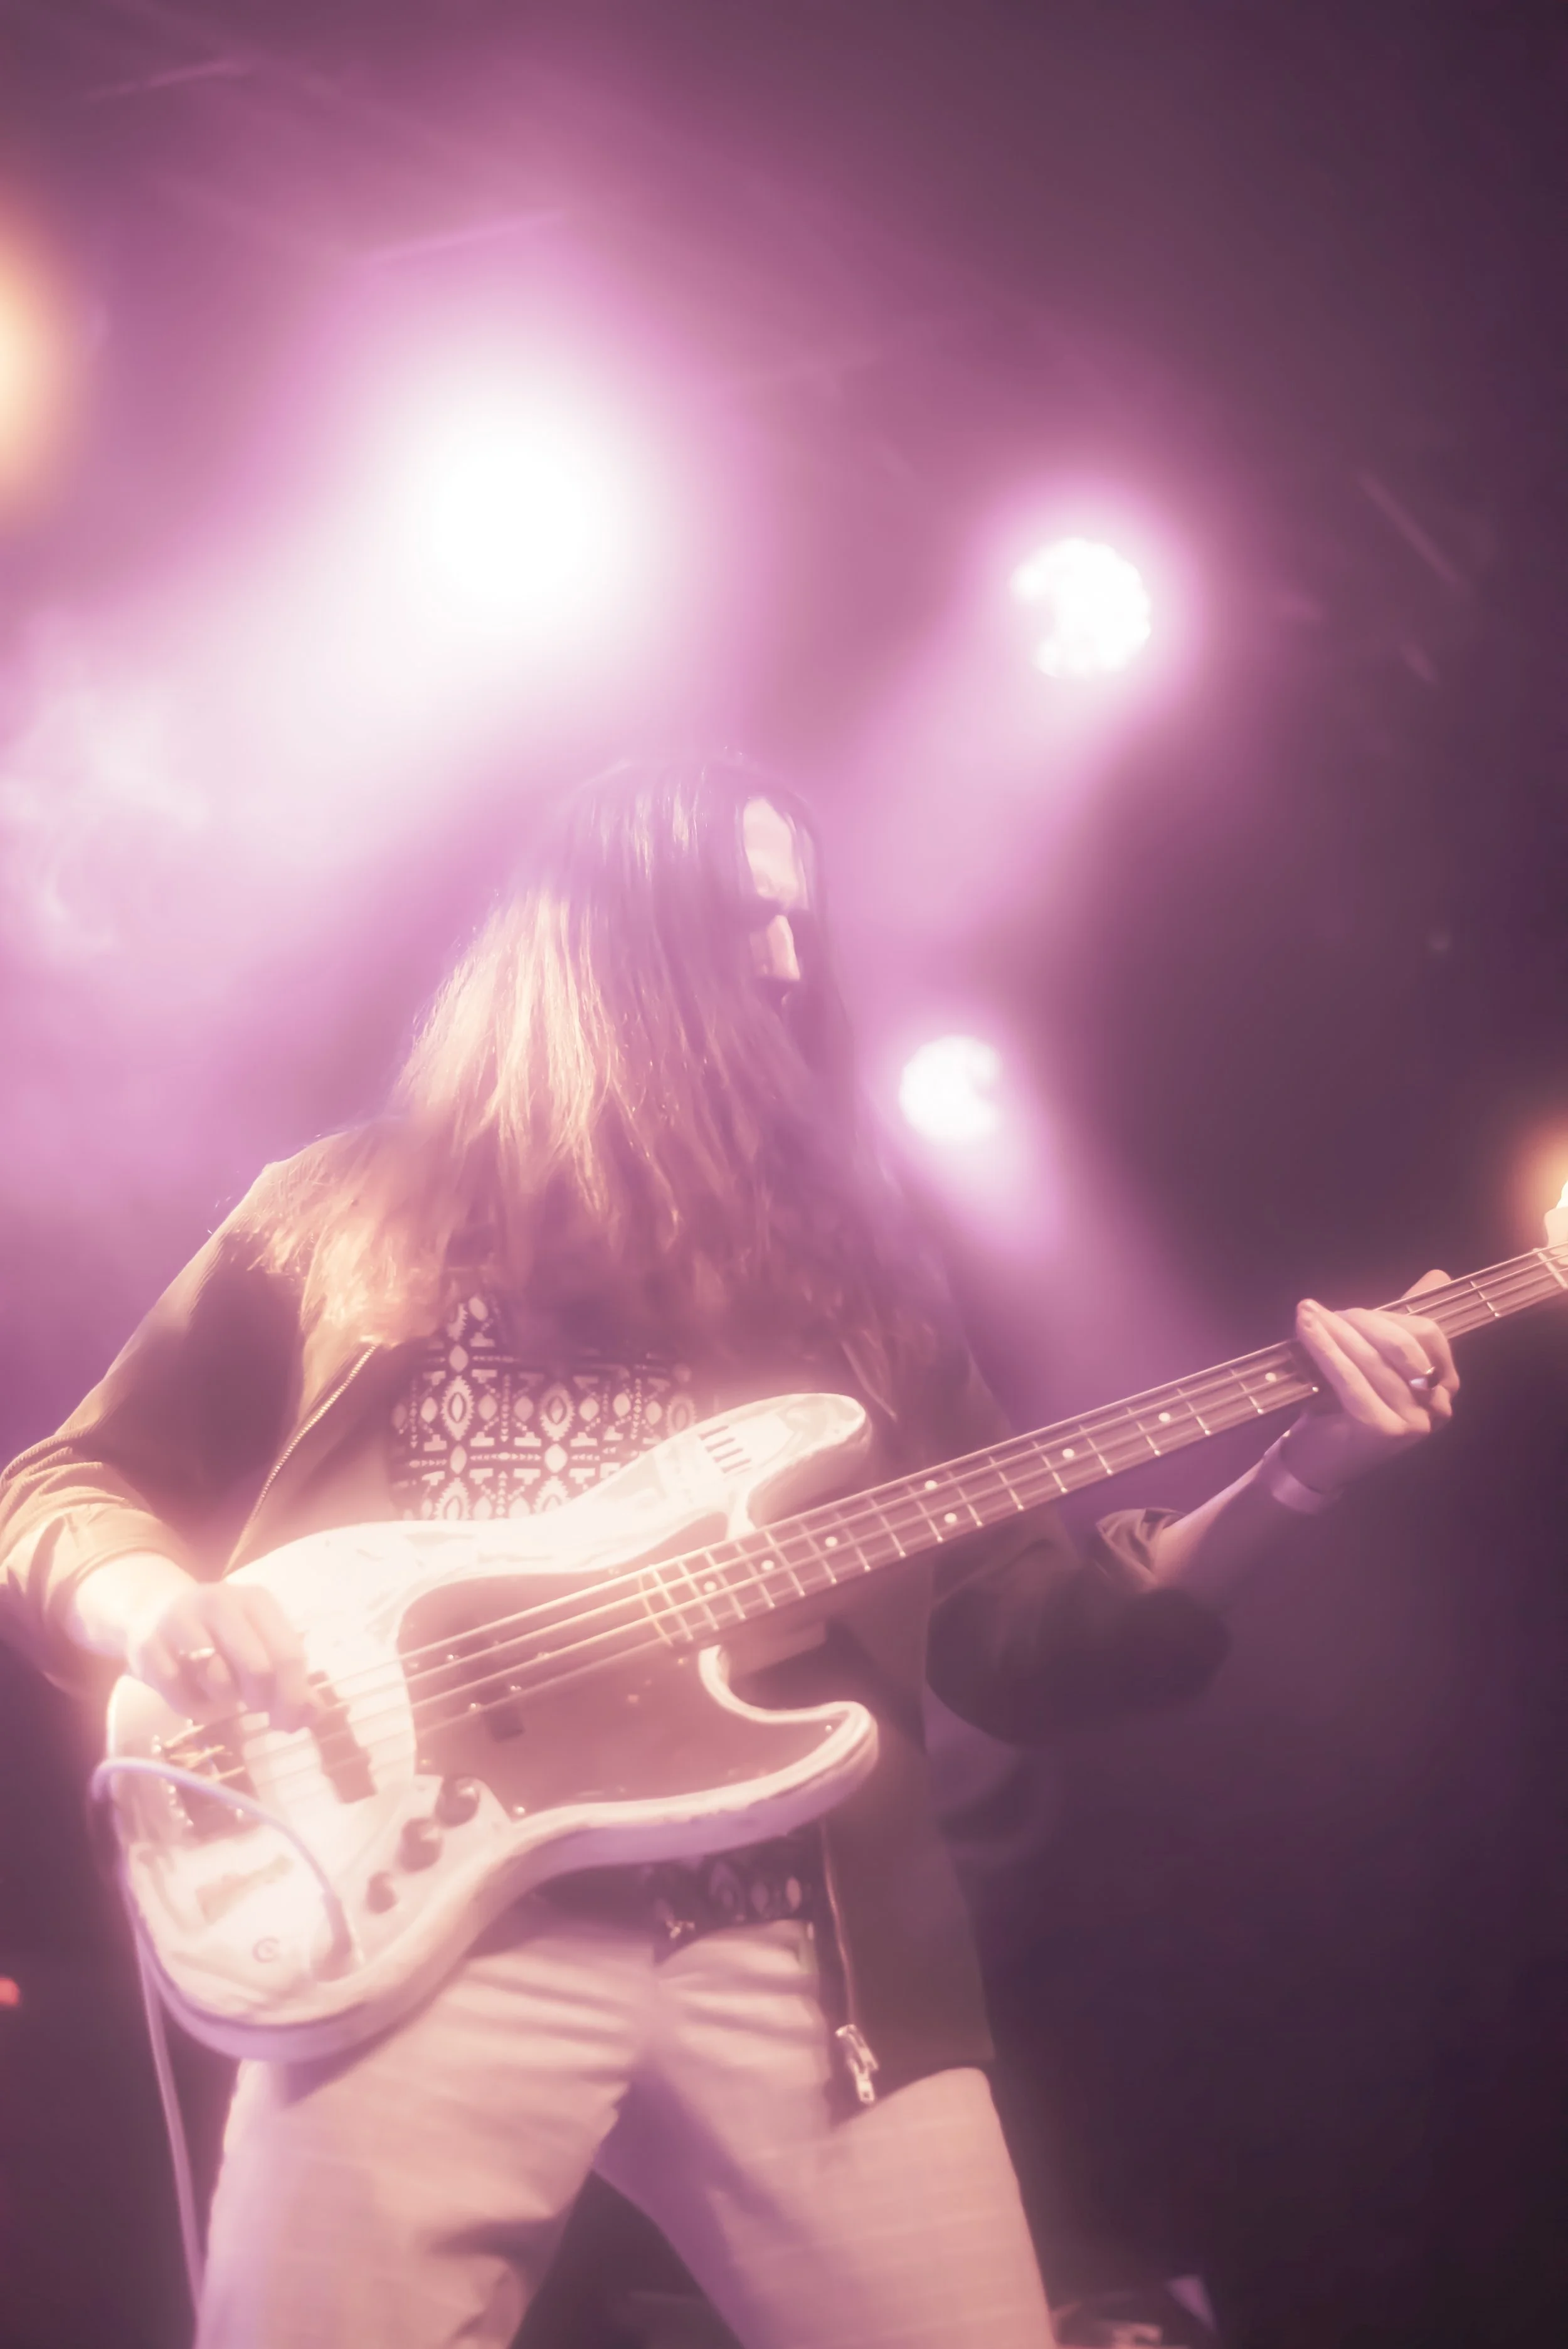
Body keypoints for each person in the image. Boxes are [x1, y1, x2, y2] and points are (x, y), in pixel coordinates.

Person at [0, 756, 1458, 2349]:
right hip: (414, 1926)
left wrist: (1298, 1475)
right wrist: (151, 1605)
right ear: (602, 935)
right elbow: (65, 1484)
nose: (783, 961)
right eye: (743, 917)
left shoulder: (851, 1276)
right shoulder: (342, 1212)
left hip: (797, 1956)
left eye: (797, 926)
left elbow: (1027, 1638)